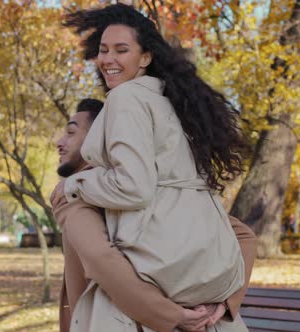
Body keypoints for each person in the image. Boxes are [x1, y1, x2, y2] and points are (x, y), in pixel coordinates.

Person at [61, 4, 253, 331]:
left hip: (149, 289)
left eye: (122, 50)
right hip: (207, 278)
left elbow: (133, 187)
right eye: (103, 50)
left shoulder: (125, 98)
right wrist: (224, 302)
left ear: (146, 58)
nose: (108, 59)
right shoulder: (172, 104)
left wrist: (74, 185)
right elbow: (245, 236)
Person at [51, 99, 256, 331]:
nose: (60, 142)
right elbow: (244, 237)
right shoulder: (153, 187)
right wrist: (224, 302)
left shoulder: (76, 194)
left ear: (99, 138)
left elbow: (101, 260)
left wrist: (174, 315)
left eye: (70, 133)